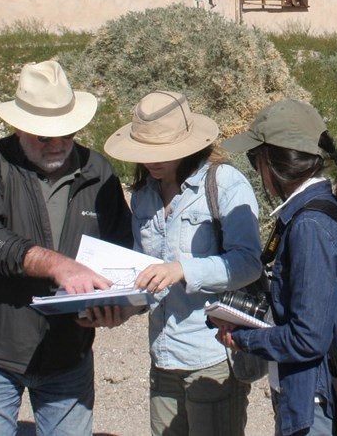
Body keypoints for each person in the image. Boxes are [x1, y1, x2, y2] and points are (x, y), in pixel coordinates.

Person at [0, 60, 135, 436]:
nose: (58, 145)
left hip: (69, 353)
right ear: (19, 127)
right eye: (44, 136)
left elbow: (119, 250)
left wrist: (115, 306)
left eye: (66, 134)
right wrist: (58, 265)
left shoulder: (99, 172)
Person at [103, 90, 264, 436]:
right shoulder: (144, 195)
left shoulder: (224, 184)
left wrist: (184, 270)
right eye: (145, 152)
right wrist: (122, 309)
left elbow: (248, 263)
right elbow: (144, 275)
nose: (152, 160)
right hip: (163, 356)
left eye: (162, 151)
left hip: (213, 356)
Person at [214, 99, 337, 436]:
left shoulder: (309, 225)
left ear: (270, 161)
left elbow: (308, 339)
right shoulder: (313, 211)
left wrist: (244, 338)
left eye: (255, 160)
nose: (256, 171)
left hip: (313, 402)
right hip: (309, 395)